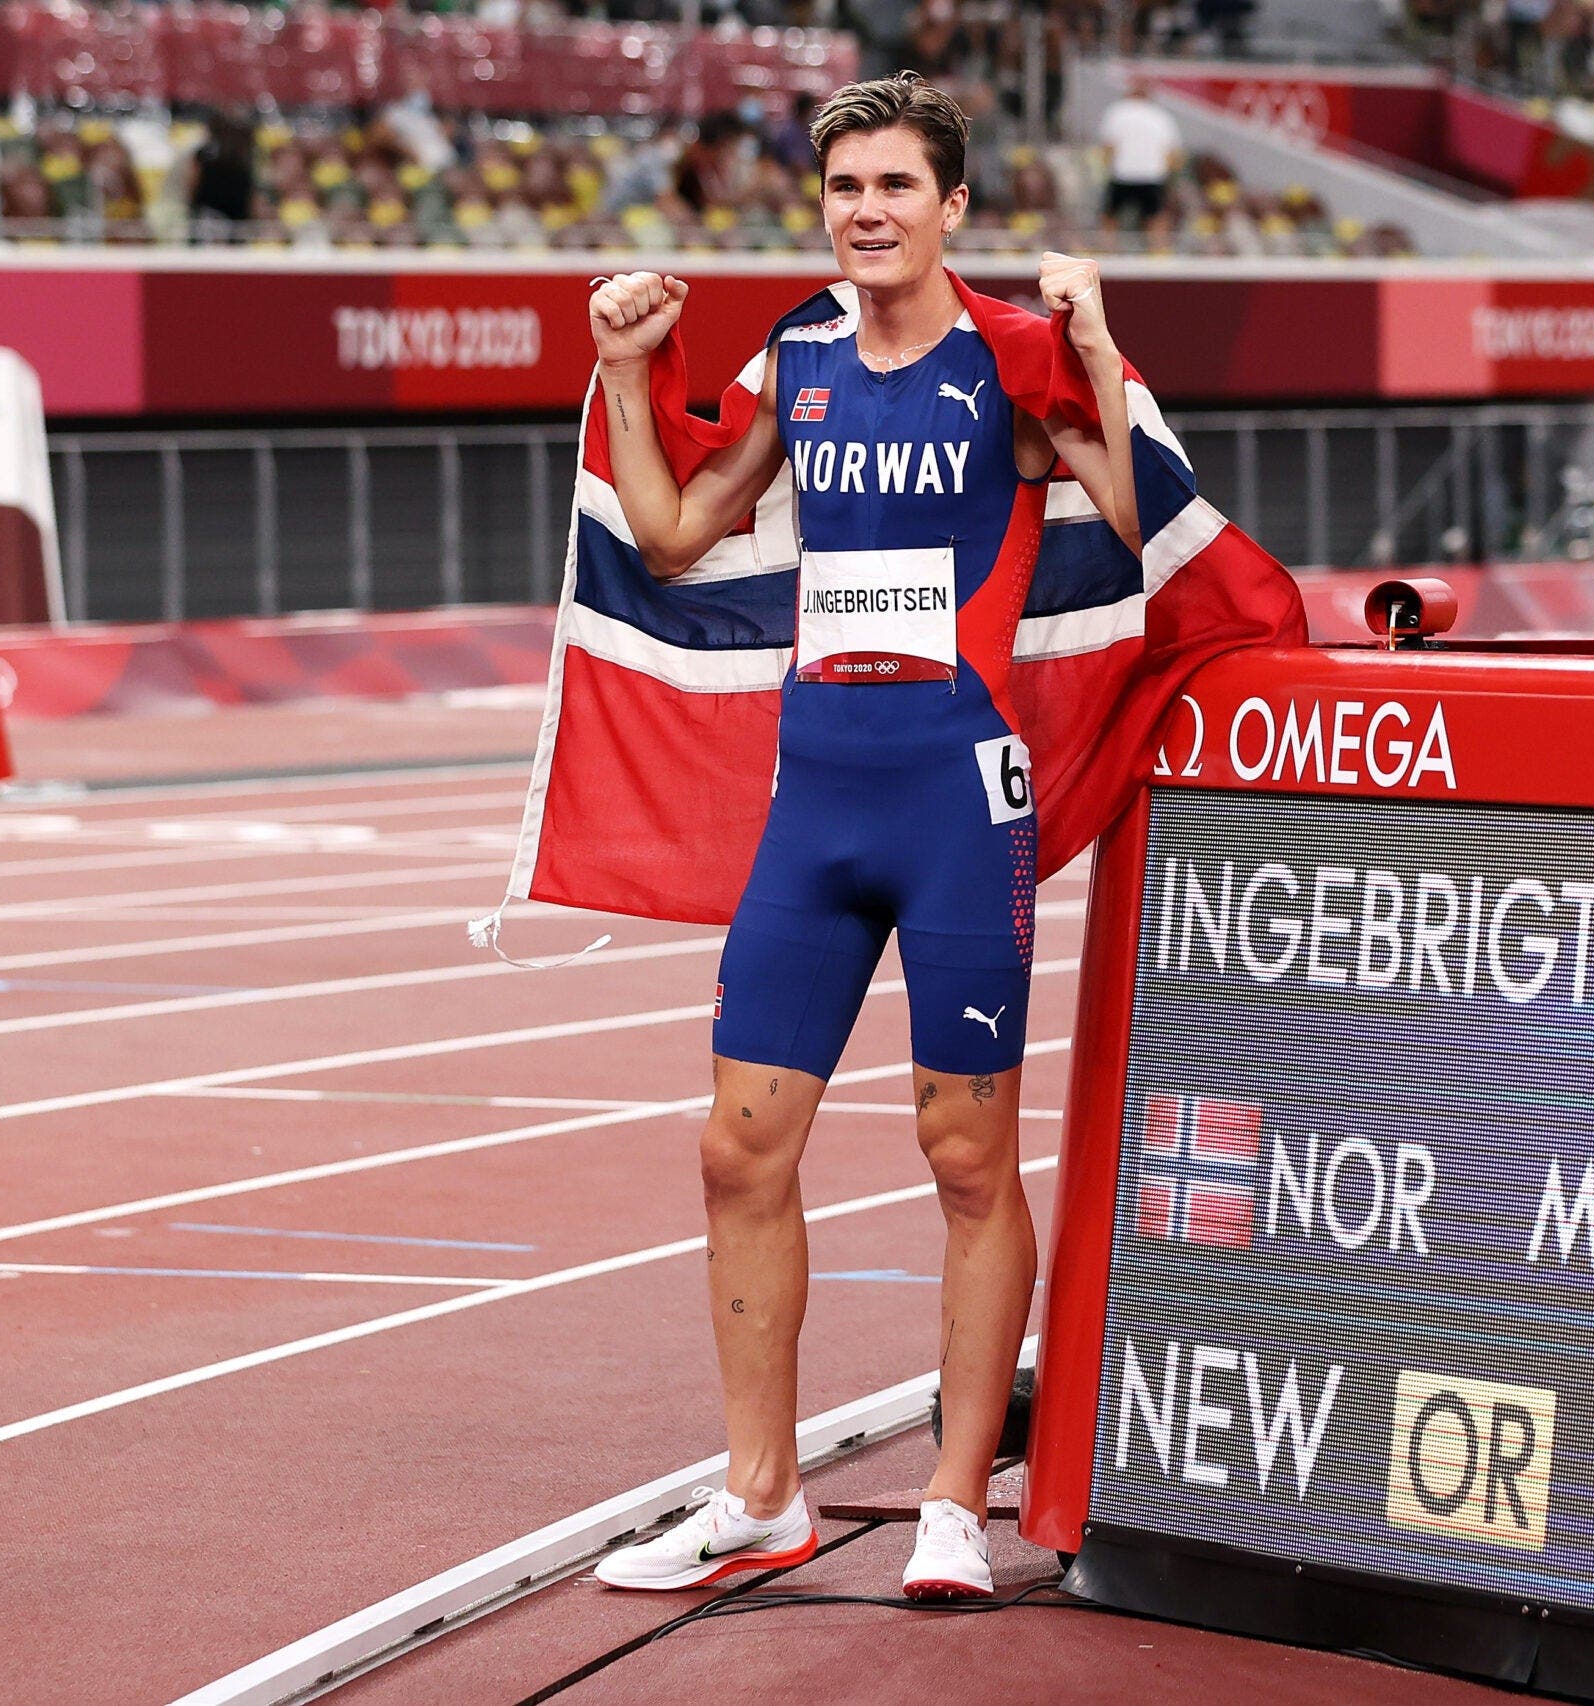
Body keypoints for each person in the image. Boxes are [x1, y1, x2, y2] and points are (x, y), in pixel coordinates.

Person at [581, 73, 1145, 1602]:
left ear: (951, 205)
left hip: (958, 800)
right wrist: (630, 377)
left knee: (965, 1151)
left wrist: (1093, 345)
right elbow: (676, 534)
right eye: (845, 190)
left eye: (897, 187)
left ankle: (958, 1499)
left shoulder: (1016, 357)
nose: (868, 213)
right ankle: (762, 1493)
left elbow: (1144, 515)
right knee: (735, 1144)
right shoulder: (798, 353)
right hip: (817, 798)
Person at [1097, 78, 1181, 233]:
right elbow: (1171, 152)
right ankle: (1159, 253)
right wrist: (1167, 175)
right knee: (1155, 217)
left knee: (1110, 216)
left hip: (1122, 173)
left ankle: (1107, 249)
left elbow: (1109, 147)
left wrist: (1107, 168)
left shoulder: (1117, 112)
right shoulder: (1161, 117)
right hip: (1152, 174)